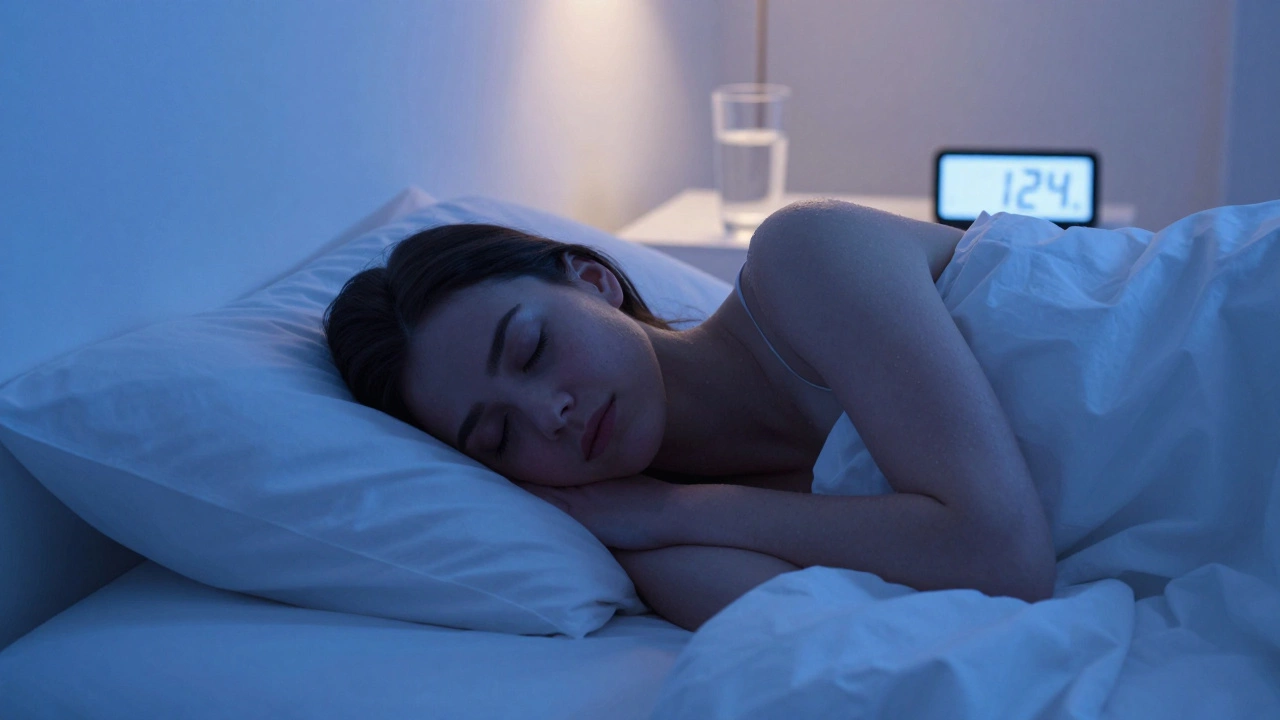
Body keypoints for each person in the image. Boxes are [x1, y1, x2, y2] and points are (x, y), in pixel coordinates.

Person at [324, 199, 1058, 631]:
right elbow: (876, 649)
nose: (550, 414)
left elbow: (1001, 555)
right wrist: (665, 522)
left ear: (594, 279)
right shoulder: (659, 550)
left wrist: (680, 509)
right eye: (498, 436)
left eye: (532, 349)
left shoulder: (806, 258)